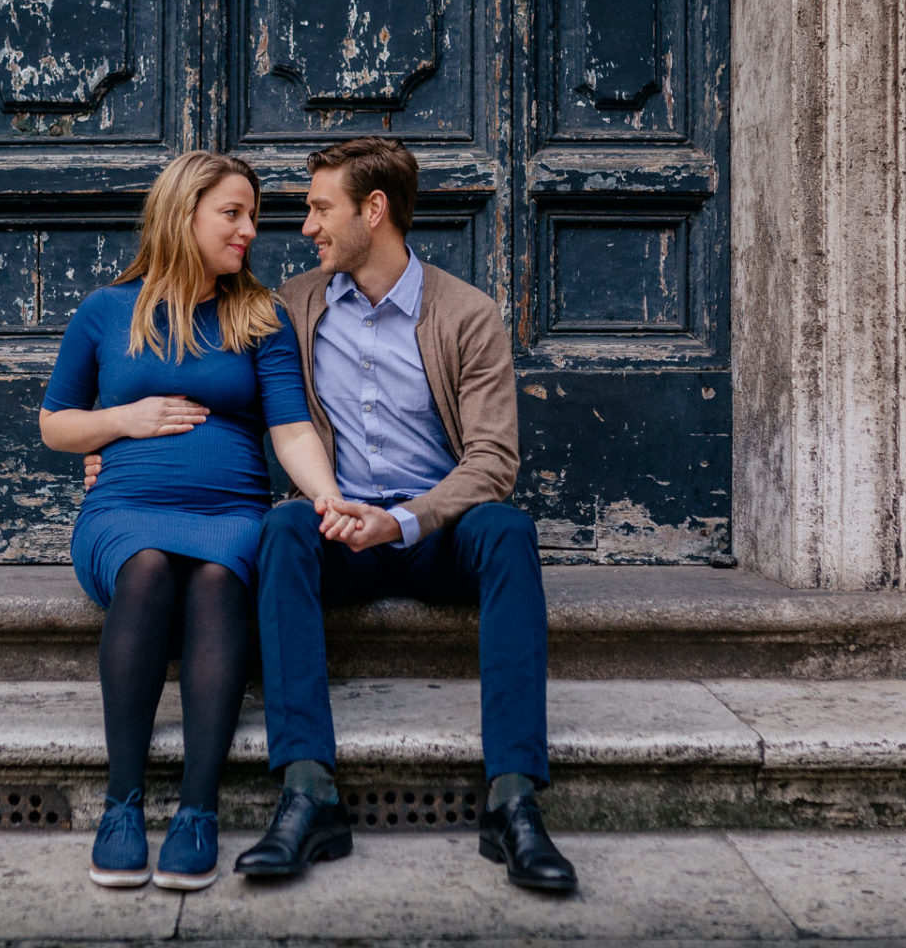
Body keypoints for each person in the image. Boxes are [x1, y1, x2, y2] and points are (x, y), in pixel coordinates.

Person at [90, 137, 577, 893]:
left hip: (434, 529)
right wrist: (114, 442)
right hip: (337, 525)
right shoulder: (289, 306)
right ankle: (308, 790)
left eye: (320, 208)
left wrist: (405, 519)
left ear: (372, 211)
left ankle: (513, 800)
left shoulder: (468, 315)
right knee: (280, 530)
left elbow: (492, 461)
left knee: (509, 531)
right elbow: (235, 393)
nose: (306, 226)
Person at [40, 151, 343, 892]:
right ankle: (122, 804)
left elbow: (291, 429)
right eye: (231, 214)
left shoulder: (258, 315)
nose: (248, 231)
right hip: (123, 513)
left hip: (230, 514)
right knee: (145, 568)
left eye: (253, 217)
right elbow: (55, 425)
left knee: (215, 580)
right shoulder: (107, 311)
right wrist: (124, 419)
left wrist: (327, 497)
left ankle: (198, 811)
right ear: (184, 214)